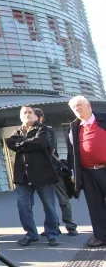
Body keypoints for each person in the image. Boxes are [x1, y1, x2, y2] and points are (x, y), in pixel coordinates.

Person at [6, 106, 60, 247]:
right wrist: (27, 142)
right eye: (24, 113)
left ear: (36, 116)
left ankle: (52, 233)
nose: (27, 114)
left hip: (43, 175)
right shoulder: (16, 131)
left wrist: (21, 144)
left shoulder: (43, 129)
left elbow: (40, 142)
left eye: (30, 112)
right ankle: (30, 234)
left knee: (49, 206)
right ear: (20, 116)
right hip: (22, 177)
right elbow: (10, 143)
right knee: (23, 207)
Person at [65, 96, 106, 247]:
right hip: (87, 173)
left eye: (79, 105)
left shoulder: (103, 119)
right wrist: (73, 173)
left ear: (88, 105)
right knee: (95, 206)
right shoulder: (74, 128)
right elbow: (72, 153)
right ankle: (101, 236)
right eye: (74, 107)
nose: (77, 109)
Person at [33, 108, 78, 237]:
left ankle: (70, 226)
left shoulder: (49, 130)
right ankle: (53, 227)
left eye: (33, 116)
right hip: (42, 173)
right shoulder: (30, 132)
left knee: (63, 200)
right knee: (47, 203)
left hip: (55, 170)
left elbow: (48, 149)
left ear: (40, 118)